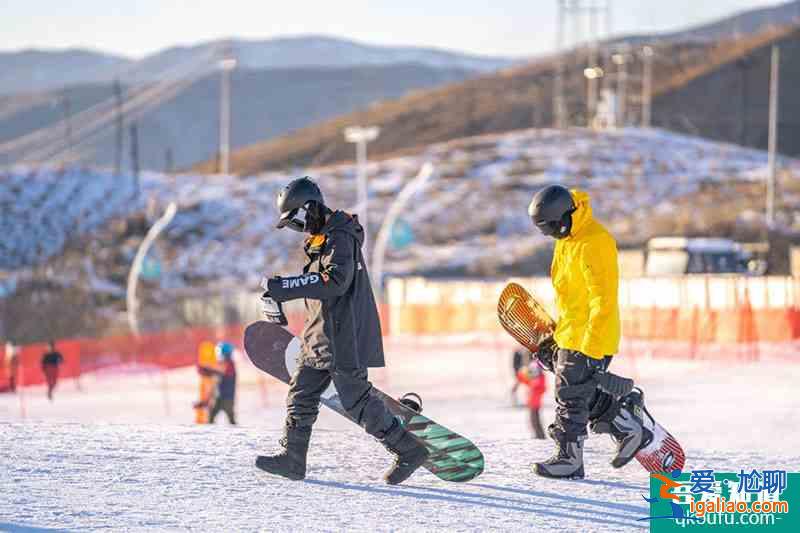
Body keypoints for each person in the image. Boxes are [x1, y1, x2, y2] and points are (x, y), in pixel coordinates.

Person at [256, 176, 429, 485]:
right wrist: (282, 292)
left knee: (356, 400)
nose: (297, 227)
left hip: (341, 336)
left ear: (309, 207)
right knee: (301, 393)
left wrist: (284, 288)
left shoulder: (340, 236)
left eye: (295, 219)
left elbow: (335, 281)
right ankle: (293, 459)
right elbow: (320, 284)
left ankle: (408, 450)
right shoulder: (321, 239)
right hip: (319, 336)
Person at [527, 184, 651, 479]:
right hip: (572, 333)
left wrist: (592, 348)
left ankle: (569, 459)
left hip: (593, 335)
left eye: (554, 226)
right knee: (583, 390)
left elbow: (602, 299)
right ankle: (626, 424)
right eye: (546, 230)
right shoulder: (567, 240)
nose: (552, 234)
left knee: (569, 393)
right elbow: (571, 298)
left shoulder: (595, 242)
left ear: (567, 214)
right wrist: (558, 337)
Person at [516, 359, 547, 439]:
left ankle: (540, 436)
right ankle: (538, 435)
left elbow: (541, 388)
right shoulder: (534, 379)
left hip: (535, 403)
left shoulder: (539, 379)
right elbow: (525, 380)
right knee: (533, 420)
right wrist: (521, 374)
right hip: (532, 402)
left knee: (535, 420)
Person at [208, 341, 237, 425]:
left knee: (231, 420)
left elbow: (221, 371)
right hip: (221, 397)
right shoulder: (225, 363)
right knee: (211, 416)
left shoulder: (229, 364)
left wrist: (208, 370)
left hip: (227, 397)